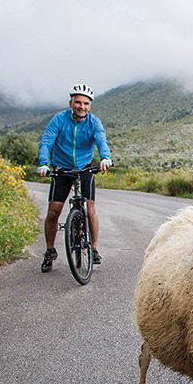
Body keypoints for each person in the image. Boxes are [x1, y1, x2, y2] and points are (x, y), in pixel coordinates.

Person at [37, 83, 112, 273]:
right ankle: (49, 250)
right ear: (71, 102)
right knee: (53, 212)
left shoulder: (94, 122)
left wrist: (105, 157)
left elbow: (101, 139)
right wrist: (44, 163)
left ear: (90, 105)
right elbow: (47, 141)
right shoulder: (59, 120)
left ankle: (93, 249)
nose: (81, 106)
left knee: (89, 209)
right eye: (78, 102)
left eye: (86, 103)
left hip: (84, 167)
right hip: (62, 169)